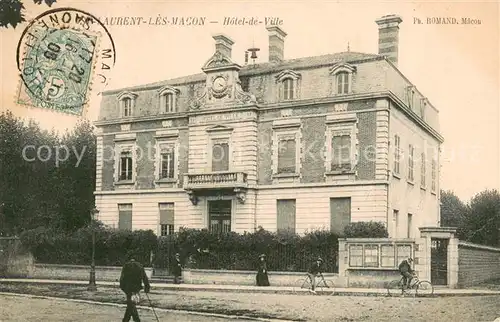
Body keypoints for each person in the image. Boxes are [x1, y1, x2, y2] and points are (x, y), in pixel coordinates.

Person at [119, 256, 151, 322]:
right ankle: (125, 320)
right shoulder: (140, 266)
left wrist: (123, 288)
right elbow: (145, 278)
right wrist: (147, 288)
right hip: (136, 289)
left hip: (128, 289)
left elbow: (122, 279)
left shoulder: (126, 266)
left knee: (131, 305)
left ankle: (136, 320)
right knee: (131, 304)